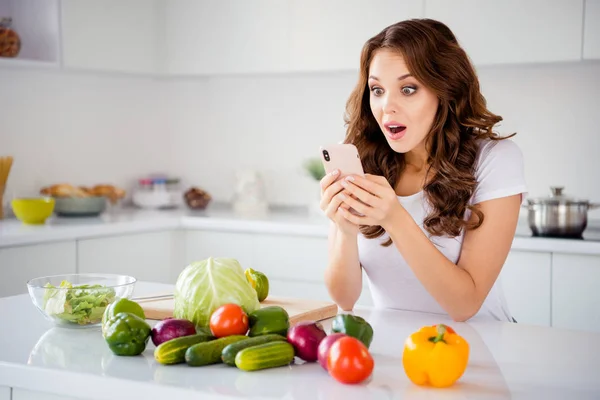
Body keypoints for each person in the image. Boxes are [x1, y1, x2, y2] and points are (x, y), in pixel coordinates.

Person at [320, 19, 527, 322]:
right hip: (394, 349)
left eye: (408, 88)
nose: (387, 106)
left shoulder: (495, 159)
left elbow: (464, 304)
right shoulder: (361, 158)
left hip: (480, 347)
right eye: (377, 90)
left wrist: (394, 218)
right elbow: (345, 299)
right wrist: (344, 230)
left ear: (445, 89)